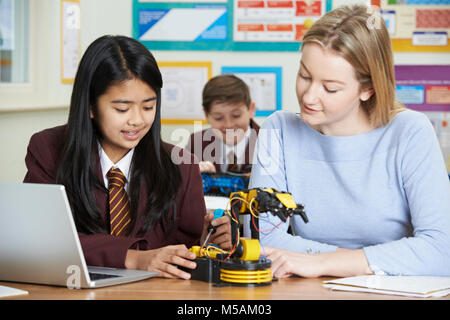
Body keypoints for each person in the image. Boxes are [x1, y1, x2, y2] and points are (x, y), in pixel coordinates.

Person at [250, 5, 450, 278]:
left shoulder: (410, 132)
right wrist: (380, 260)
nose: (309, 96)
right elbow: (266, 240)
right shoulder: (279, 131)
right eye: (305, 76)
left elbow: (440, 252)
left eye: (330, 88)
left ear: (368, 89)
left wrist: (319, 263)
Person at [23, 35, 231, 279]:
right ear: (90, 105)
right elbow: (40, 239)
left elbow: (186, 252)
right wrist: (133, 258)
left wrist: (210, 239)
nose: (137, 120)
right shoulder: (48, 149)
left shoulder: (180, 164)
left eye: (148, 107)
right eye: (122, 109)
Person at [185, 74, 259, 174]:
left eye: (236, 115)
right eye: (218, 118)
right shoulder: (196, 143)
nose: (228, 125)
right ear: (206, 115)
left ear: (251, 109)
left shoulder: (270, 143)